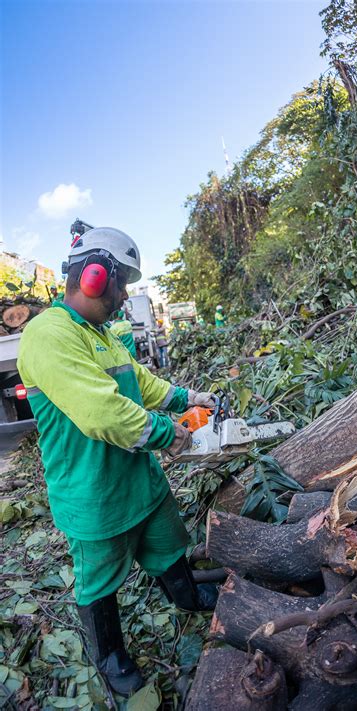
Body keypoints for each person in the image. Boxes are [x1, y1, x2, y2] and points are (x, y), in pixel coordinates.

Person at [18, 227, 217, 696]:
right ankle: (109, 654)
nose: (125, 294)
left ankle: (187, 597)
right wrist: (170, 433)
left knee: (169, 543)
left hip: (138, 477)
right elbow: (101, 410)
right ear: (93, 276)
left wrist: (187, 397)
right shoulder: (48, 334)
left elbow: (141, 383)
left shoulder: (101, 335)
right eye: (122, 281)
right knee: (99, 581)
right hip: (94, 490)